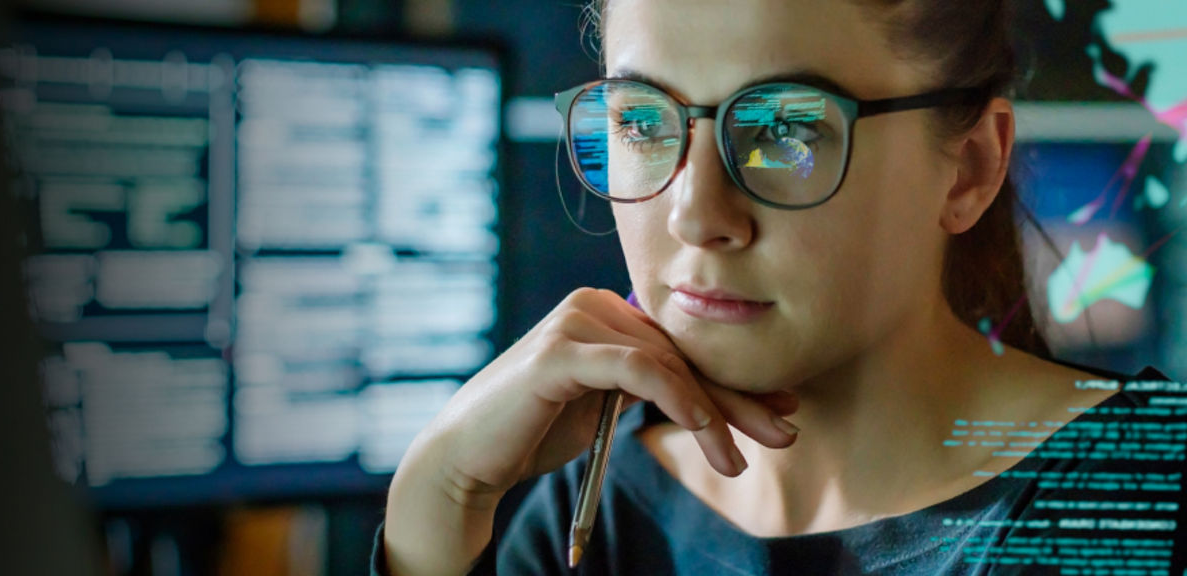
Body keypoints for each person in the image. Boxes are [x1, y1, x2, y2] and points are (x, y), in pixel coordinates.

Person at [371, 0, 1180, 574]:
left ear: (967, 170)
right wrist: (433, 506)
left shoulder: (1142, 509)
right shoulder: (589, 516)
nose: (695, 215)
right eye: (642, 122)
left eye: (785, 131)